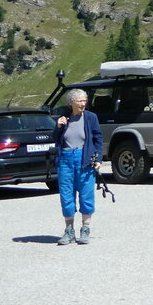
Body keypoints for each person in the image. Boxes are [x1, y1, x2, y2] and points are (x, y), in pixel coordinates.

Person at [53, 88, 104, 245]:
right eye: (80, 101)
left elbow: (98, 138)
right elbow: (55, 138)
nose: (83, 103)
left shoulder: (90, 117)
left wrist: (99, 159)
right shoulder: (64, 118)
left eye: (84, 100)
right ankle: (69, 230)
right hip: (66, 160)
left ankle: (85, 229)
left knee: (86, 195)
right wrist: (58, 126)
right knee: (66, 195)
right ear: (71, 103)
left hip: (85, 159)